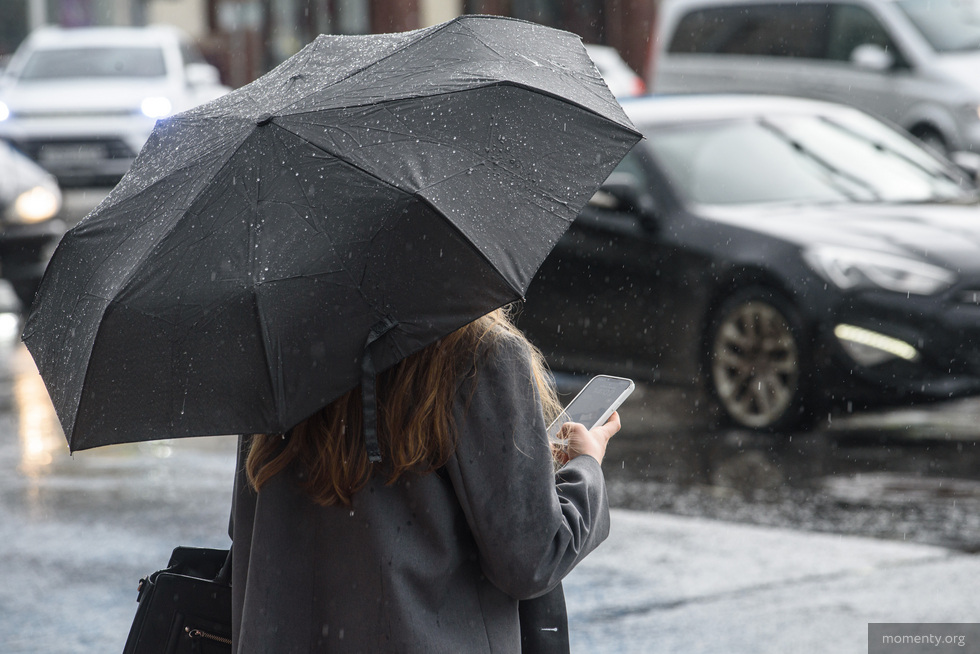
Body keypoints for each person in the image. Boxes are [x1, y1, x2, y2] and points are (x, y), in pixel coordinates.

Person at [229, 306, 620, 652]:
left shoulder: (280, 349)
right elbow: (532, 557)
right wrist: (585, 466)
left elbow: (247, 526)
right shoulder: (475, 351)